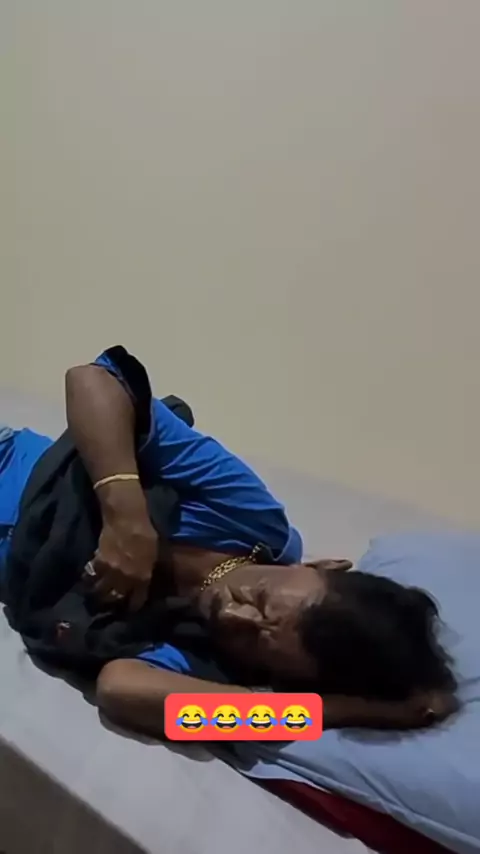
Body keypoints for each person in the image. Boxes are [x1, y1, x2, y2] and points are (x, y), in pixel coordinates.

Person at [0, 351, 457, 737]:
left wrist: (343, 711)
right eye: (262, 599)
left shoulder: (210, 657)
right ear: (324, 567)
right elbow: (93, 381)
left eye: (256, 642)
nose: (233, 615)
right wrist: (126, 517)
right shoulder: (248, 517)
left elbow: (121, 691)